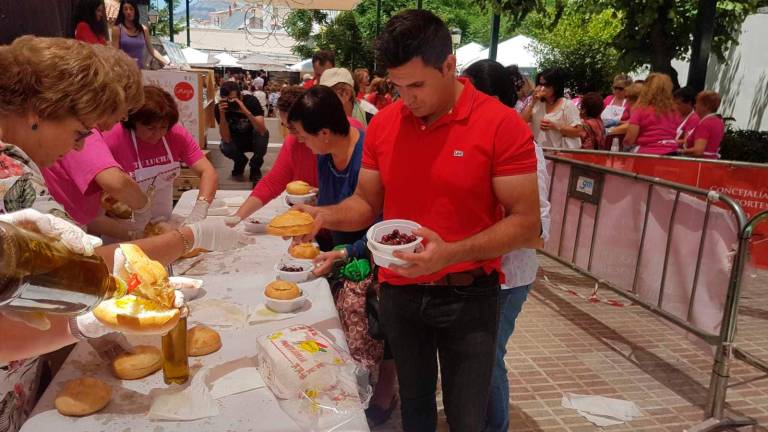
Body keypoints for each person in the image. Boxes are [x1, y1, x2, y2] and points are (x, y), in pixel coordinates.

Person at [295, 10, 541, 431]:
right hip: (400, 294)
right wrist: (322, 215)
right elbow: (366, 203)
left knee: (468, 416)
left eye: (417, 85)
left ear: (449, 66)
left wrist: (449, 254)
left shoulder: (501, 125)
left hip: (469, 295)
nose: (406, 98)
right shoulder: (387, 124)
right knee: (415, 406)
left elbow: (527, 225)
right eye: (397, 86)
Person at [0, 36, 248, 432]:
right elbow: (70, 269)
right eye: (81, 133)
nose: (76, 148)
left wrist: (76, 324)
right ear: (40, 111)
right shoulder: (8, 170)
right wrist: (188, 238)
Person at [461, 58, 552, 432]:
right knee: (473, 357)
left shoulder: (523, 147)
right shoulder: (473, 140)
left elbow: (538, 226)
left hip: (507, 277)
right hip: (476, 272)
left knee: (487, 358)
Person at [42, 45, 149, 234]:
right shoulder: (80, 127)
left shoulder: (70, 123)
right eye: (126, 108)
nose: (124, 117)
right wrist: (144, 205)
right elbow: (116, 182)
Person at [105, 85, 219, 234]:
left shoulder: (176, 134)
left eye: (163, 127)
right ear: (133, 122)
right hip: (121, 229)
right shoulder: (113, 138)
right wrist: (132, 233)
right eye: (150, 128)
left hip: (162, 223)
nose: (158, 134)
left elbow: (208, 172)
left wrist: (200, 210)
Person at [226, 86, 317, 225]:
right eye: (285, 126)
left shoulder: (332, 141)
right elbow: (272, 182)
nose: (291, 133)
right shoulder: (293, 142)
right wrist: (238, 216)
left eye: (293, 127)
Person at [214, 81, 269, 183]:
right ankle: (240, 161)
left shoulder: (251, 101)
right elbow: (226, 138)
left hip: (253, 139)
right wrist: (222, 114)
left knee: (262, 135)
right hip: (236, 140)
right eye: (227, 99)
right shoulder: (220, 107)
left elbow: (262, 130)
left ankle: (255, 167)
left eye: (233, 99)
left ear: (241, 95)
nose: (231, 102)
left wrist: (245, 111)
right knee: (225, 146)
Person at [522, 68, 583, 149]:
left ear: (556, 86)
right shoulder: (536, 103)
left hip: (558, 157)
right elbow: (522, 121)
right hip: (538, 154)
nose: (542, 88)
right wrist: (533, 102)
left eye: (546, 85)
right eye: (540, 84)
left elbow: (578, 131)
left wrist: (557, 127)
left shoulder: (567, 105)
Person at [624, 73, 682, 155]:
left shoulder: (641, 110)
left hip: (647, 154)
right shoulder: (674, 112)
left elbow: (630, 139)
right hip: (671, 153)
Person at [111, 0, 168, 69]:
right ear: (122, 12)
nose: (128, 12)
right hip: (124, 71)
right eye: (125, 9)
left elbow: (152, 50)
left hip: (140, 70)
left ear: (135, 11)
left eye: (131, 9)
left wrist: (167, 63)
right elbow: (114, 53)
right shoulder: (117, 29)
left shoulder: (144, 29)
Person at [679, 91, 725, 159]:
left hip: (698, 164)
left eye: (697, 103)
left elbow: (698, 151)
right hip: (711, 161)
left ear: (706, 106)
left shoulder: (705, 123)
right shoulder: (719, 122)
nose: (695, 105)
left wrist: (680, 151)